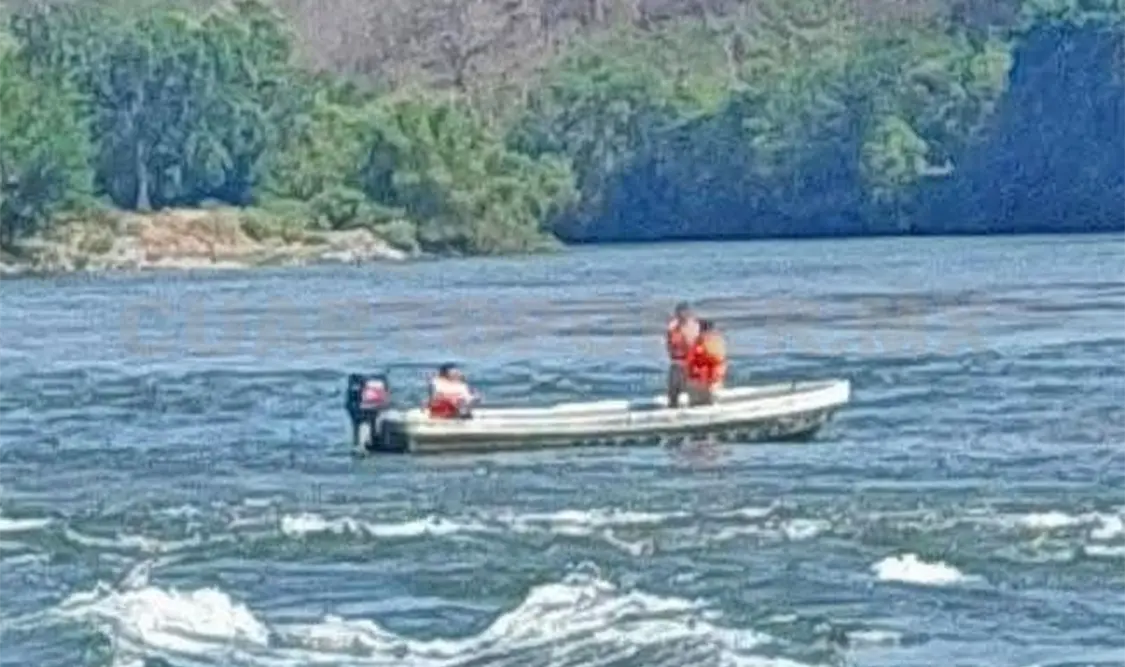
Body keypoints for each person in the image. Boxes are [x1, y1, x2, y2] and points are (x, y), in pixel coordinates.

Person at [665, 301, 700, 408]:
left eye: (683, 312)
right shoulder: (672, 327)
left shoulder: (694, 326)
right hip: (676, 363)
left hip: (690, 363)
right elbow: (669, 344)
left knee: (693, 391)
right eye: (678, 313)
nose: (680, 315)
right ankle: (672, 406)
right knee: (673, 392)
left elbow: (694, 345)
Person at [684, 319, 727, 405]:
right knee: (696, 402)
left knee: (709, 401)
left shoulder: (714, 342)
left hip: (710, 380)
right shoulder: (696, 343)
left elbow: (717, 361)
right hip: (698, 380)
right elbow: (690, 362)